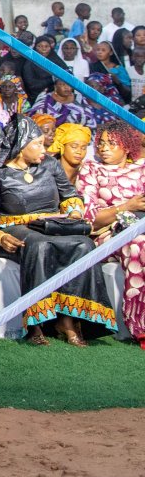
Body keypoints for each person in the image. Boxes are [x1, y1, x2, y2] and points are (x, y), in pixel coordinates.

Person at [0, 115, 115, 346]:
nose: (43, 148)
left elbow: (70, 196)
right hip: (11, 229)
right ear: (20, 147)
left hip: (53, 225)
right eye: (36, 143)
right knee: (38, 244)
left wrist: (74, 214)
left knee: (84, 244)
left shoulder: (50, 165)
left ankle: (67, 320)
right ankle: (35, 322)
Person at [76, 121, 145, 347]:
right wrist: (127, 206)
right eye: (101, 143)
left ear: (127, 146)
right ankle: (139, 326)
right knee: (137, 245)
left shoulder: (142, 169)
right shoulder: (91, 169)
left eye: (111, 143)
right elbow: (90, 218)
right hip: (109, 234)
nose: (103, 148)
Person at [30, 80, 95, 127]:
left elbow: (89, 119)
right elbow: (36, 118)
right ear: (55, 86)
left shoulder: (79, 98)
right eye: (62, 84)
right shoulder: (45, 99)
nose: (66, 87)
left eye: (69, 84)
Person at [48, 122, 91, 187]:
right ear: (62, 146)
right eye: (74, 146)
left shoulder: (88, 172)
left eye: (83, 148)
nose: (79, 152)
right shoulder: (48, 170)